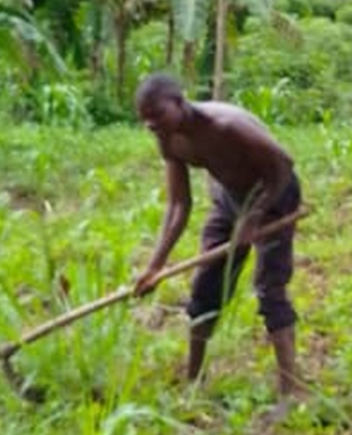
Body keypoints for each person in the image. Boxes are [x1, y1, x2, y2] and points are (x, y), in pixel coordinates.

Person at [130, 72, 304, 408]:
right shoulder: (167, 136)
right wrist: (154, 267)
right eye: (147, 123)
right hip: (228, 199)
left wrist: (254, 217)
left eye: (158, 117)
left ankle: (291, 390)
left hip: (274, 196)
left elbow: (283, 166)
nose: (153, 127)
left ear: (180, 102)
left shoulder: (226, 125)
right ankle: (193, 381)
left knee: (270, 288)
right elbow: (179, 204)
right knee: (206, 286)